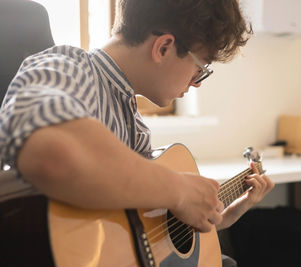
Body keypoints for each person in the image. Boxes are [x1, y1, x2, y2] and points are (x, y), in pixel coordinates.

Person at [0, 0, 275, 265]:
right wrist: (179, 190)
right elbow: (50, 154)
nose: (197, 83)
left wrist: (216, 215)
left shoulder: (134, 122)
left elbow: (138, 229)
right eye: (200, 69)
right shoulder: (69, 68)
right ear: (164, 47)